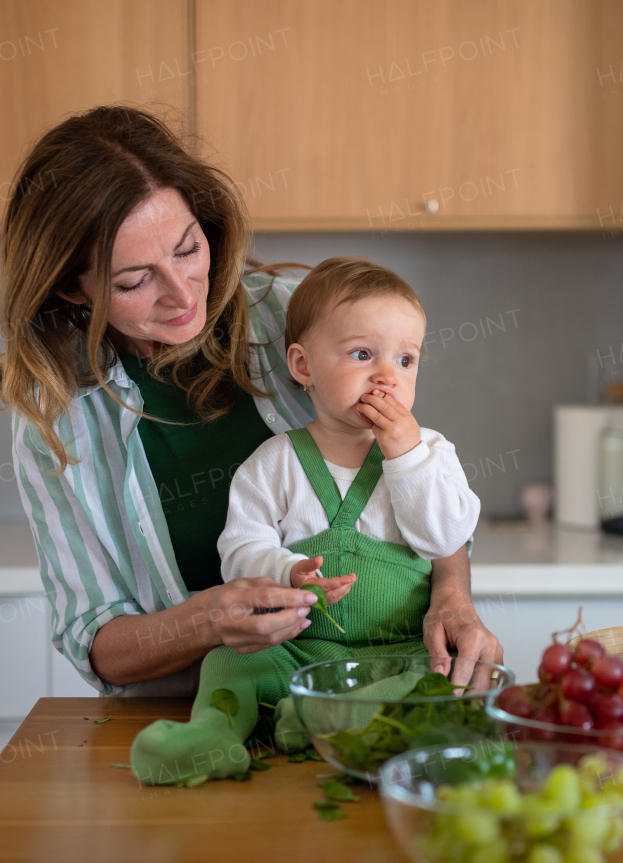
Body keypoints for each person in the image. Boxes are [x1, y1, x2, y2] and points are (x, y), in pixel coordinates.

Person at [0, 105, 502, 700]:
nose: (181, 295)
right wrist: (207, 621)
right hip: (189, 709)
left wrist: (453, 599)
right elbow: (94, 638)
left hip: (354, 682)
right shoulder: (56, 415)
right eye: (132, 281)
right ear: (73, 286)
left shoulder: (295, 316)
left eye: (186, 249)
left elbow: (420, 479)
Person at [129, 257, 480, 783]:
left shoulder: (430, 455)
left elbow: (447, 537)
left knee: (435, 677)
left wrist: (406, 457)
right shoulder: (274, 462)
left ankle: (324, 717)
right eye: (363, 354)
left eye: (406, 361)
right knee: (226, 664)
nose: (388, 375)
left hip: (397, 650)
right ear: (303, 366)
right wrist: (285, 570)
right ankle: (214, 736)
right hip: (298, 650)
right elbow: (239, 549)